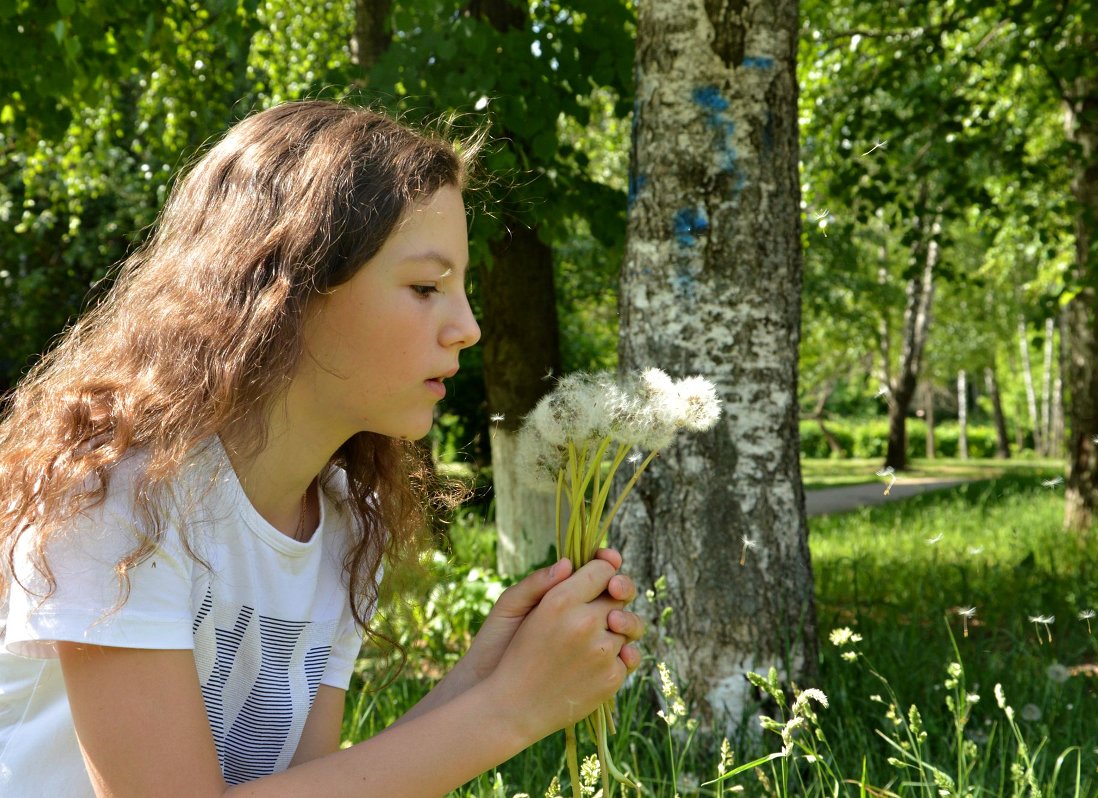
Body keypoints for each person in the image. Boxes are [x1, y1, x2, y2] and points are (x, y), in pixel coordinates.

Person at [0, 99, 644, 797]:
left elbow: (311, 786)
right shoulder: (122, 495)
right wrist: (508, 710)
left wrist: (486, 676)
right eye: (426, 286)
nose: (467, 328)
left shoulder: (340, 524)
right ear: (287, 292)